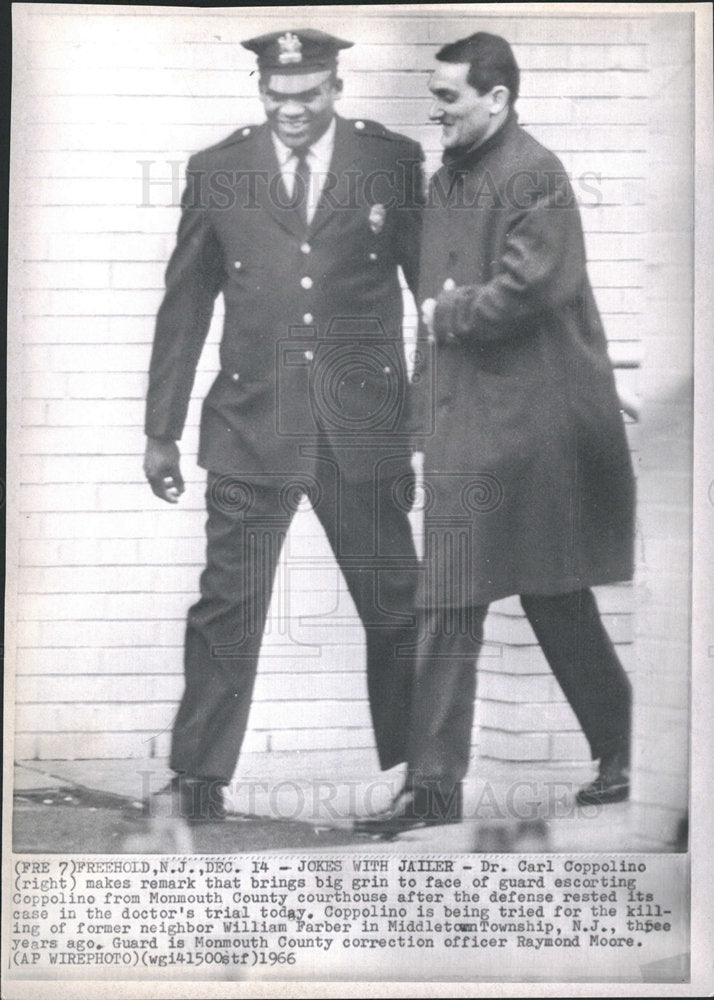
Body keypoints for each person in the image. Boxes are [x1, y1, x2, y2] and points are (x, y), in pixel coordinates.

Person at [357, 32, 635, 836]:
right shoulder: (452, 179)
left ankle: (609, 750)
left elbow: (529, 287)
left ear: (498, 99)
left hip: (533, 430)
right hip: (477, 425)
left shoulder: (532, 173)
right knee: (476, 594)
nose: (434, 110)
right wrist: (419, 417)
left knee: (532, 595)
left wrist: (449, 313)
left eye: (448, 97)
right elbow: (431, 314)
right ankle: (444, 785)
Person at [143, 28, 424, 822]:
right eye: (277, 93)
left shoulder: (390, 164)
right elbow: (185, 304)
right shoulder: (220, 170)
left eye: (307, 94)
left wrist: (429, 408)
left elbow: (431, 293)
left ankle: (424, 781)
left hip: (360, 430)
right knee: (227, 607)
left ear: (335, 87)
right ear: (261, 88)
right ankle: (198, 779)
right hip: (249, 426)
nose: (290, 109)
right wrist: (160, 428)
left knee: (397, 606)